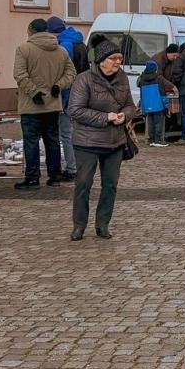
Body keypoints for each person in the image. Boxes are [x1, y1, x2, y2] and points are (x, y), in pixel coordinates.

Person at [66, 38, 137, 241]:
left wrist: (125, 115)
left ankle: (103, 224)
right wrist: (105, 117)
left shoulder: (122, 78)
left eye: (120, 58)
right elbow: (75, 110)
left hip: (115, 141)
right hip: (87, 142)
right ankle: (79, 225)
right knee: (83, 184)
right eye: (113, 58)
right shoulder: (84, 79)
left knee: (110, 185)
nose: (118, 62)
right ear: (101, 60)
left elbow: (130, 105)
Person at [13, 17, 74, 189]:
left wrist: (34, 92)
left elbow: (19, 74)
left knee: (31, 142)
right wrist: (59, 86)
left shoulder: (24, 49)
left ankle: (32, 178)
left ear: (30, 30)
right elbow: (71, 73)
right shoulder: (61, 51)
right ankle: (55, 176)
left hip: (31, 105)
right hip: (53, 104)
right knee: (52, 140)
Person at [49, 16, 88, 179]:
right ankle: (81, 165)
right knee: (77, 132)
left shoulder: (64, 45)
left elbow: (65, 73)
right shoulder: (79, 41)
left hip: (68, 94)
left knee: (66, 133)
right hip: (81, 92)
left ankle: (72, 168)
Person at [137, 56, 174, 147]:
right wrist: (166, 106)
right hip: (158, 104)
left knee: (150, 123)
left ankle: (151, 140)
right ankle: (158, 140)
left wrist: (142, 107)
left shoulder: (142, 79)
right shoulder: (159, 78)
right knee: (158, 123)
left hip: (147, 105)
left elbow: (141, 94)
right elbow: (162, 93)